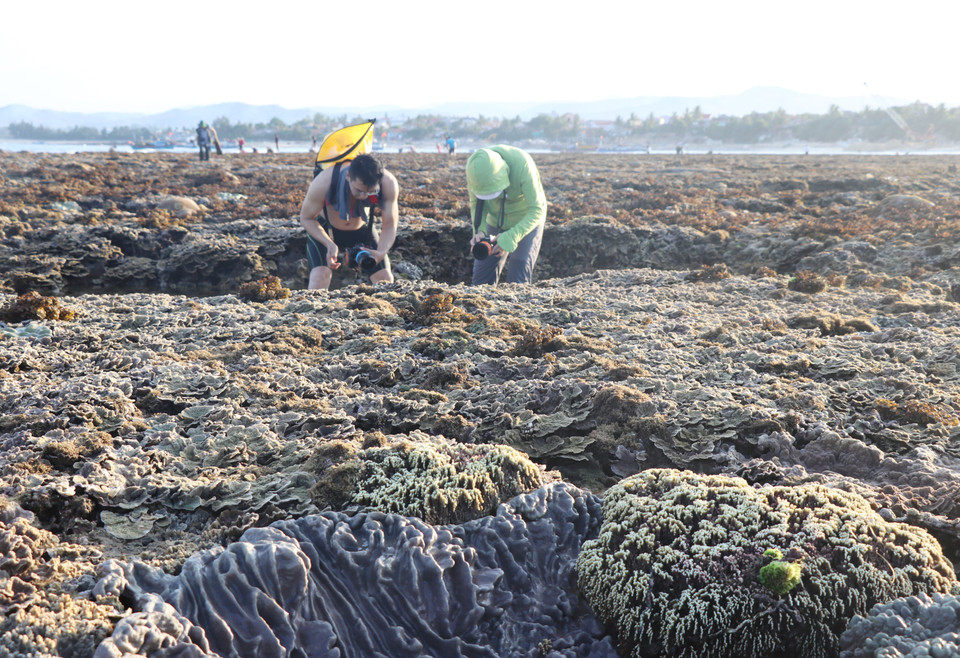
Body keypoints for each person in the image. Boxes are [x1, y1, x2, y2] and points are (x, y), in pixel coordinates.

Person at [298, 154, 399, 290]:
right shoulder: (324, 181)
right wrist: (329, 244)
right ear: (348, 177)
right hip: (327, 230)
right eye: (358, 190)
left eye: (370, 192)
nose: (363, 196)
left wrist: (381, 252)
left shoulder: (388, 183)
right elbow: (306, 218)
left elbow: (389, 225)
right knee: (320, 275)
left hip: (362, 228)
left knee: (385, 278)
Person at [466, 145, 546, 286]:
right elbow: (475, 204)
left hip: (527, 218)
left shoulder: (523, 164)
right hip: (495, 220)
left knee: (518, 274)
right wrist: (479, 230)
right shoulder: (474, 168)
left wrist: (512, 236)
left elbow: (536, 209)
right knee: (480, 278)